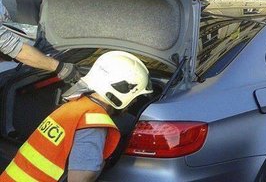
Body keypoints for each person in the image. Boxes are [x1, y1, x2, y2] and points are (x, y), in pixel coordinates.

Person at [0, 51, 152, 182]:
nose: (136, 101)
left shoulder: (74, 106)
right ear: (123, 93)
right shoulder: (93, 121)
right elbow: (81, 177)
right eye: (136, 96)